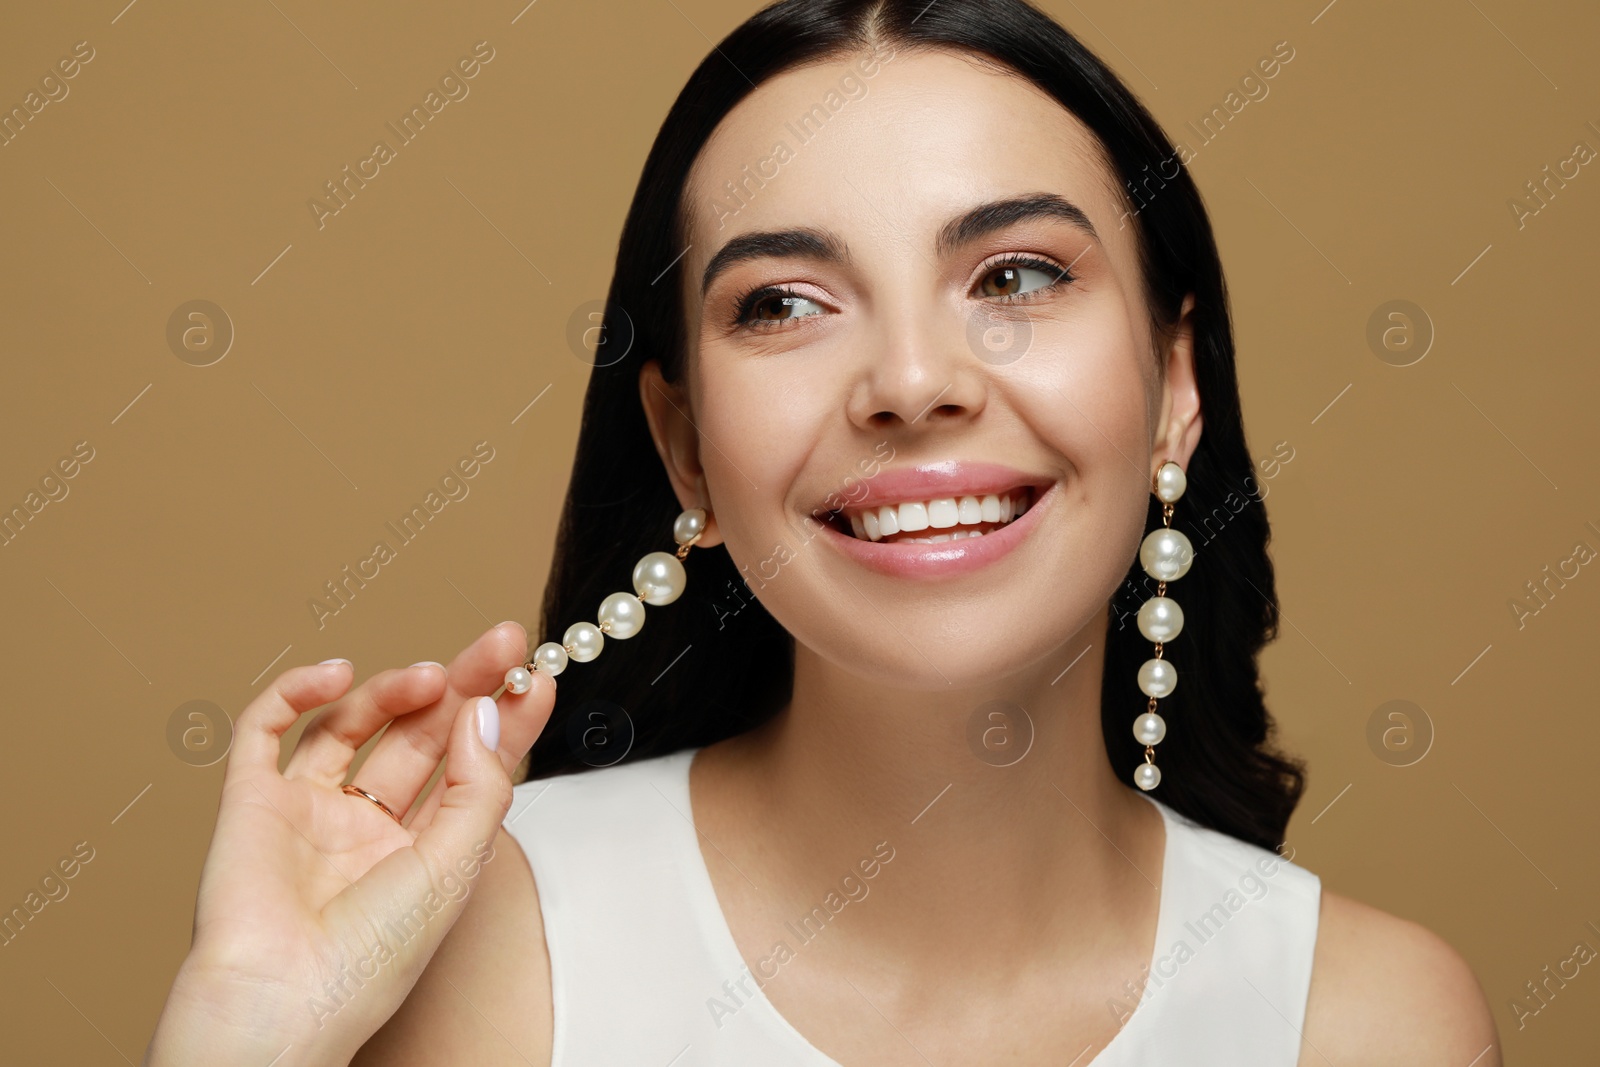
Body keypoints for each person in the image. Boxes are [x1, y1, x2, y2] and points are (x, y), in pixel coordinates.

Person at [144, 0, 1502, 1063]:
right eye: (786, 303)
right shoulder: (482, 954)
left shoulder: (1372, 1024)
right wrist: (249, 1038)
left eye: (1015, 274)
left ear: (1177, 387)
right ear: (687, 450)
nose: (912, 383)